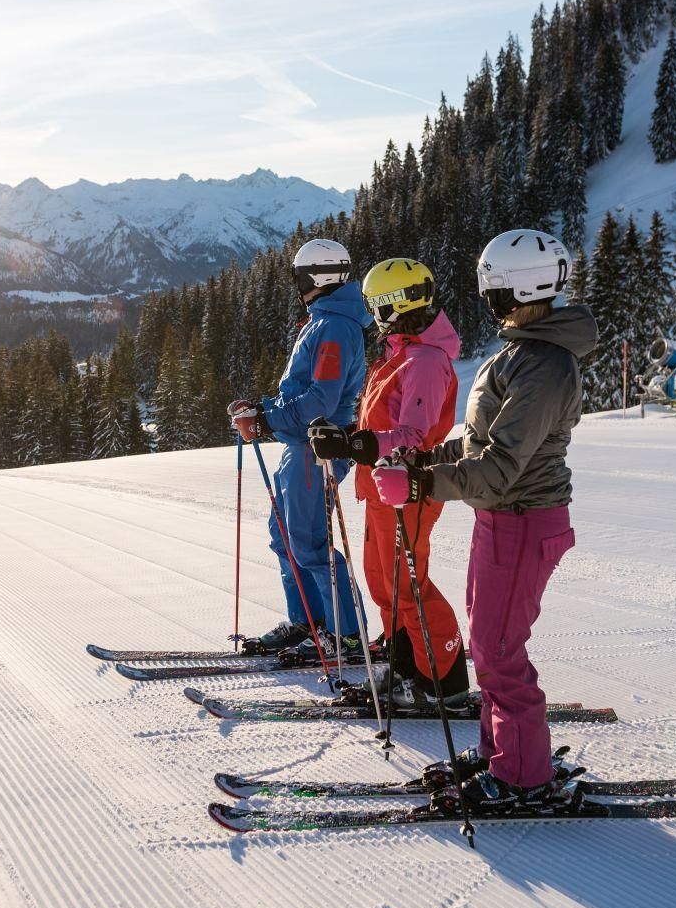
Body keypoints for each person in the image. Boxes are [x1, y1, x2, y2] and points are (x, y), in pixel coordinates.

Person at [372, 229, 597, 813]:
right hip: (502, 518)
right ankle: (503, 753)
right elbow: (475, 446)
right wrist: (421, 460)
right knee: (489, 643)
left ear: (520, 289)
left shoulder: (543, 365)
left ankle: (524, 777)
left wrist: (419, 483)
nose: (489, 303)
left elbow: (498, 467)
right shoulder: (523, 351)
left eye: (494, 292)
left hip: (523, 517)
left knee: (500, 651)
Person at [307, 257, 467, 710]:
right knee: (383, 582)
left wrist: (351, 445)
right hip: (379, 487)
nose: (375, 316)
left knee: (408, 586)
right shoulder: (400, 354)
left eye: (379, 306)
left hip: (408, 488)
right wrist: (346, 443)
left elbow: (412, 438)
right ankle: (405, 666)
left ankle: (444, 680)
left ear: (396, 305)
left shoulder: (426, 361)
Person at [228, 238, 371, 661]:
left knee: (309, 543)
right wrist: (264, 409)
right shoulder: (323, 320)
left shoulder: (336, 327)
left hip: (318, 451)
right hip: (299, 448)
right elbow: (301, 392)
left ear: (314, 278)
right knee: (283, 538)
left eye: (297, 276)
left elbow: (321, 402)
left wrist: (268, 420)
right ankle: (308, 620)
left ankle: (345, 635)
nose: (293, 283)